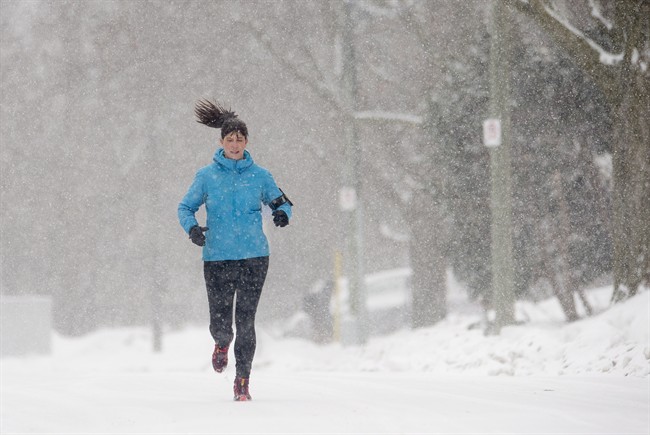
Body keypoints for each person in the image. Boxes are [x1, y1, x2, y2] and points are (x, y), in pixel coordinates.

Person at [178, 99, 293, 401]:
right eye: (230, 139)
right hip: (217, 257)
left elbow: (281, 201)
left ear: (246, 142)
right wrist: (192, 229)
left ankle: (242, 380)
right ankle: (221, 342)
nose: (235, 143)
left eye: (240, 139)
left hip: (254, 256)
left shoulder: (260, 175)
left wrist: (282, 214)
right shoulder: (206, 176)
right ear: (221, 142)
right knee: (221, 321)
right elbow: (185, 207)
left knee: (246, 320)